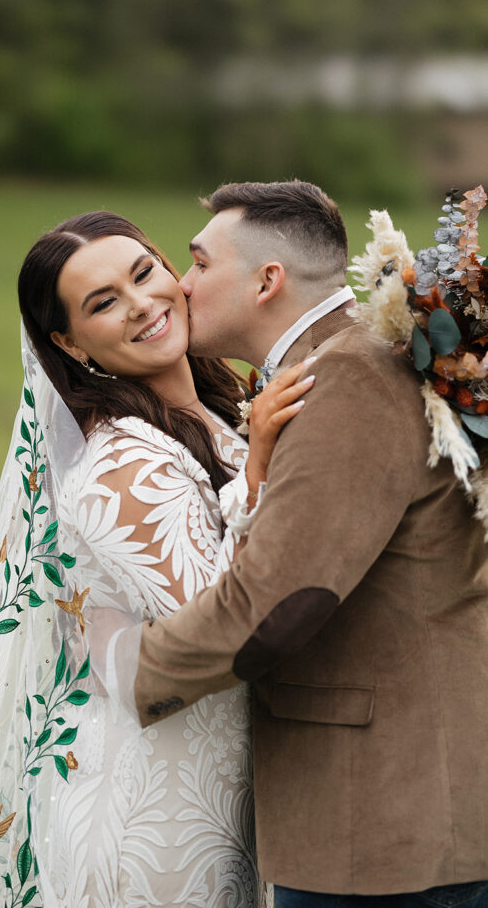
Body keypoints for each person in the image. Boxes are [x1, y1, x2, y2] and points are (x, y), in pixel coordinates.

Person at [0, 209, 312, 908]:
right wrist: (262, 466)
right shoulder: (120, 464)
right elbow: (221, 621)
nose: (141, 304)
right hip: (155, 817)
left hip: (221, 784)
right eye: (102, 303)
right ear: (69, 342)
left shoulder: (221, 407)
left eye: (143, 273)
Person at [126, 180, 488, 908]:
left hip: (387, 822)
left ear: (267, 281)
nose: (179, 287)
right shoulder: (345, 357)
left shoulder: (344, 378)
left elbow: (277, 602)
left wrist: (125, 674)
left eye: (198, 265)